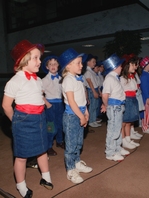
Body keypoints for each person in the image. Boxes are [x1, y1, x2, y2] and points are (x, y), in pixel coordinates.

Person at [2, 40, 53, 198]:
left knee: (43, 150)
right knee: (22, 156)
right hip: (23, 120)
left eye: (39, 58)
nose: (40, 62)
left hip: (40, 118)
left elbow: (39, 97)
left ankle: (46, 178)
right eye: (36, 58)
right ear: (24, 60)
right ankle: (21, 185)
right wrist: (16, 121)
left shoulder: (38, 80)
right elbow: (6, 105)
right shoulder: (15, 81)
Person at [58, 48, 93, 184]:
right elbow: (72, 102)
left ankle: (77, 162)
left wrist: (86, 112)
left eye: (81, 63)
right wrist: (81, 116)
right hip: (72, 116)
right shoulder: (68, 80)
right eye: (78, 63)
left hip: (80, 113)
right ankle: (70, 169)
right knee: (71, 145)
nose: (81, 65)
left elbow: (81, 100)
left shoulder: (77, 79)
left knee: (79, 142)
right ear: (68, 65)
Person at [101, 53, 129, 161]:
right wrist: (106, 105)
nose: (122, 68)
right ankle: (110, 152)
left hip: (118, 106)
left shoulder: (115, 78)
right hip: (114, 107)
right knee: (113, 130)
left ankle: (117, 148)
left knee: (117, 129)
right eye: (120, 66)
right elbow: (105, 94)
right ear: (115, 67)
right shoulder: (109, 78)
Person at [41, 55, 65, 157]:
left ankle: (60, 141)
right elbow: (40, 94)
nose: (53, 66)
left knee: (60, 124)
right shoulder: (44, 80)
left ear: (58, 66)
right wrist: (47, 104)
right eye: (50, 64)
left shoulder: (61, 78)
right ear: (47, 67)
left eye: (55, 64)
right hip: (50, 105)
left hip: (60, 103)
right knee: (51, 126)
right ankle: (49, 146)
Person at [120, 55, 140, 150]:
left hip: (133, 99)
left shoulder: (133, 77)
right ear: (128, 65)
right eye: (134, 65)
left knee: (129, 121)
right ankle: (123, 140)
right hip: (126, 99)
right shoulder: (122, 78)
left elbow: (135, 88)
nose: (136, 67)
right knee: (123, 122)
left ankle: (128, 139)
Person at [84, 54, 101, 128]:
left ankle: (93, 120)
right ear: (88, 62)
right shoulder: (87, 72)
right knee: (92, 107)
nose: (94, 63)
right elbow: (89, 82)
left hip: (95, 89)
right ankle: (91, 121)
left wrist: (98, 91)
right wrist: (94, 91)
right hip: (91, 90)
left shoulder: (92, 71)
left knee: (95, 106)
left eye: (95, 62)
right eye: (93, 62)